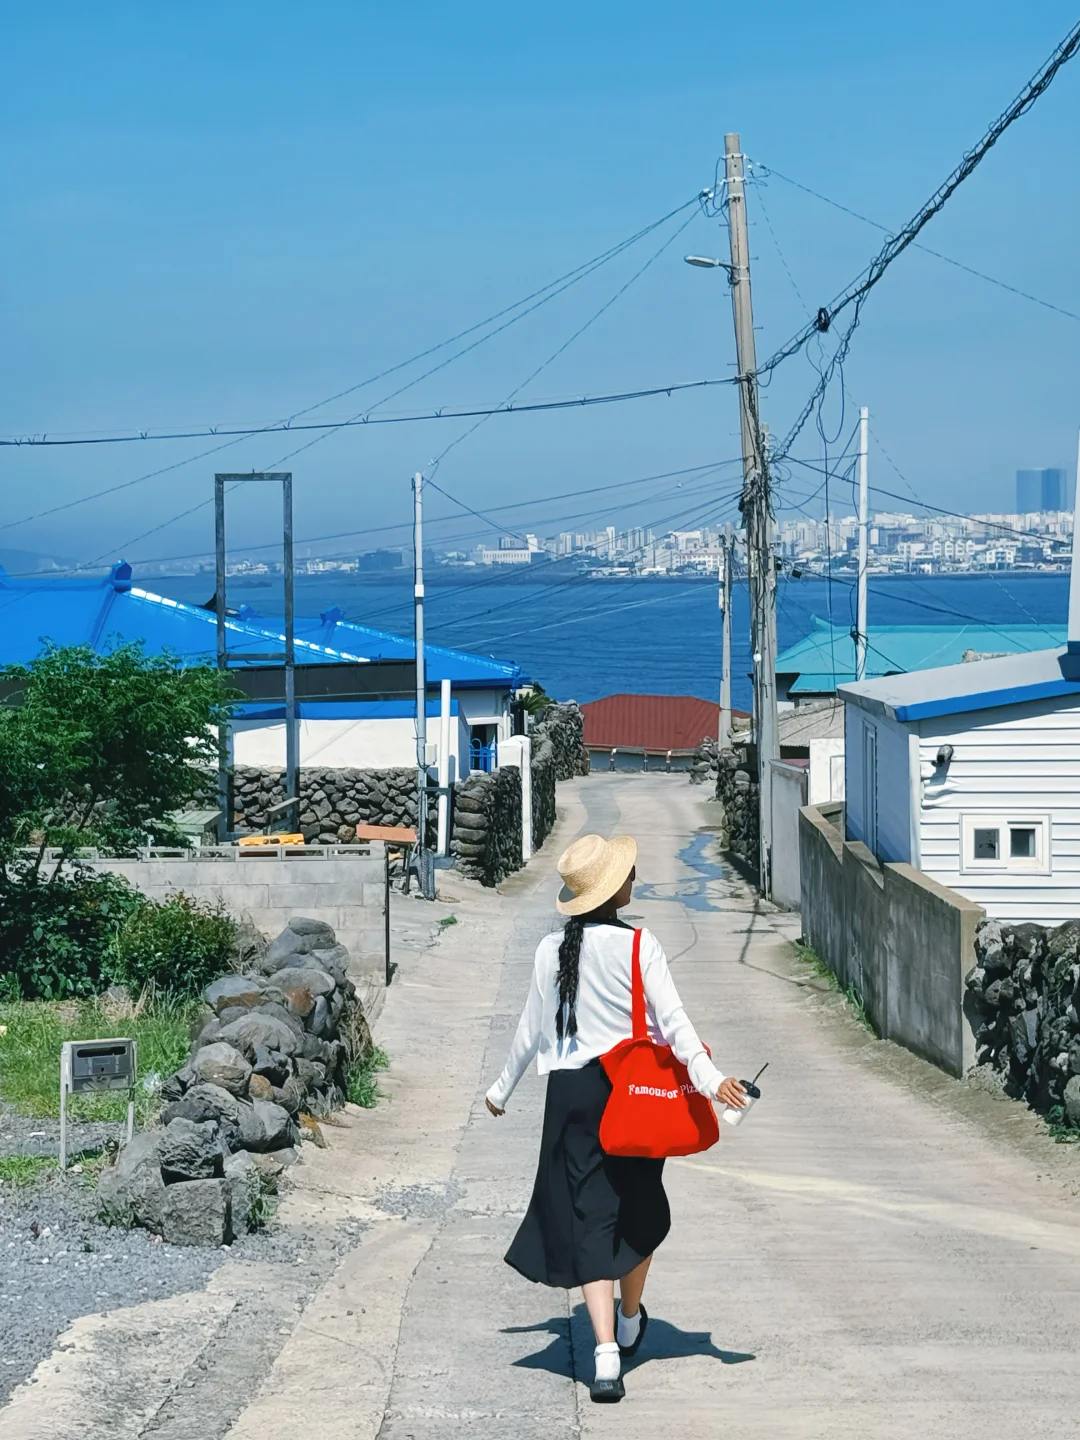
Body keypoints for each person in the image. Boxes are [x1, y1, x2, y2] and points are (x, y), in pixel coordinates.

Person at [486, 832, 746, 1403]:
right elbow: (675, 1027)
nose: (634, 879)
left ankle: (605, 1354)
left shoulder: (550, 950)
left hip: (572, 1097)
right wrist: (711, 1079)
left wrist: (501, 1089)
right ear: (612, 892)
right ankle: (629, 1320)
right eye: (627, 874)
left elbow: (531, 1028)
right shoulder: (640, 946)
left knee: (590, 1218)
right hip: (631, 1095)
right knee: (641, 1212)